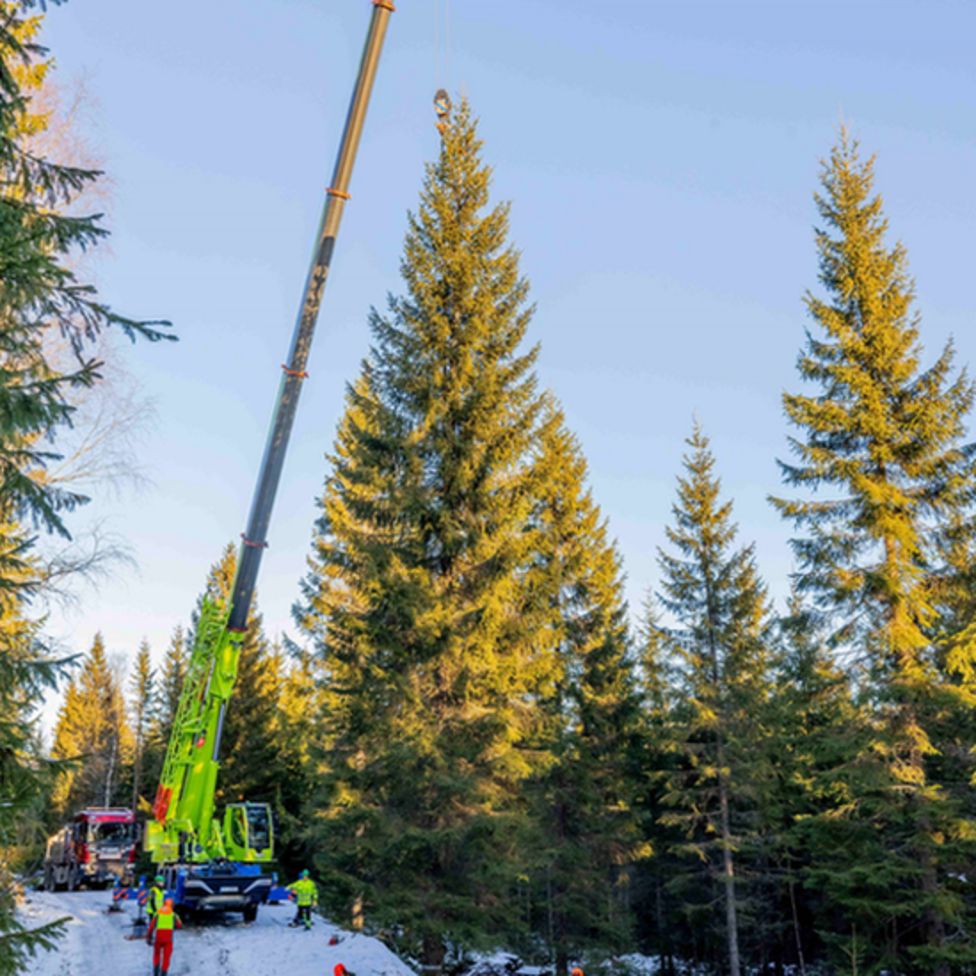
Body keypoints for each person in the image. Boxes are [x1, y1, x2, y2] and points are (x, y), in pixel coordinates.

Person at [145, 897, 182, 976]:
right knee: (166, 957)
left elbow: (151, 926)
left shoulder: (157, 913)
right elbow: (179, 925)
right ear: (171, 906)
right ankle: (163, 973)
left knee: (156, 954)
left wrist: (148, 936)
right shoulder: (173, 915)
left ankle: (156, 972)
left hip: (158, 938)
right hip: (168, 939)